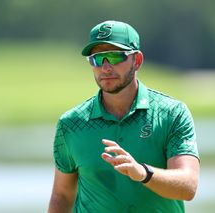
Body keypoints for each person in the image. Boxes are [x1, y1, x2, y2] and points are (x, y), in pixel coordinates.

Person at [48, 20, 200, 213]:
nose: (105, 68)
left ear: (137, 61)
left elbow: (188, 186)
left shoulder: (172, 113)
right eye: (97, 59)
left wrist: (143, 173)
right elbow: (62, 196)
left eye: (113, 56)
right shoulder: (70, 124)